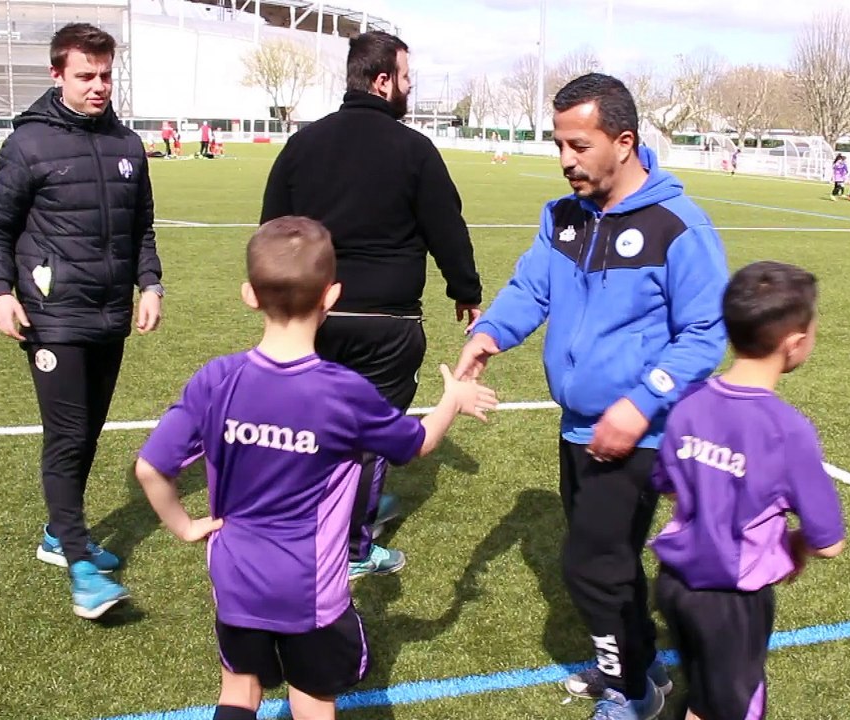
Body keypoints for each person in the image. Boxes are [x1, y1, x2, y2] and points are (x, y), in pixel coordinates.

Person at [134, 216, 497, 720]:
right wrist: (452, 399)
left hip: (234, 577)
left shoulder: (217, 379)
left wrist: (185, 525)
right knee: (312, 699)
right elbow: (417, 444)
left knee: (238, 691)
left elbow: (152, 468)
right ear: (332, 296)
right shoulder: (343, 393)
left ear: (249, 295)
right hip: (309, 592)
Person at [455, 73, 729, 720]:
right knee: (611, 564)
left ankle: (630, 691)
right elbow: (532, 288)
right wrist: (489, 333)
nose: (565, 160)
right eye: (559, 145)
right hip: (578, 426)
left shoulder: (677, 226)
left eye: (579, 145)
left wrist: (640, 402)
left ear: (624, 141)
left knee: (589, 565)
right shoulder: (564, 218)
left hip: (643, 432)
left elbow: (707, 330)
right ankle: (643, 668)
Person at [260, 30, 482, 580]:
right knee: (368, 435)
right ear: (382, 81)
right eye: (406, 78)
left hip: (313, 316)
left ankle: (313, 516)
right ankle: (352, 545)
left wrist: (278, 304)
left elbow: (272, 228)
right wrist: (465, 289)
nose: (409, 88)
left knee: (311, 423)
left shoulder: (303, 144)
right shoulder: (413, 150)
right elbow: (446, 227)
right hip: (387, 321)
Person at [0, 22, 164, 619]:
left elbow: (142, 229)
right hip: (51, 315)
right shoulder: (28, 145)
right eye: (86, 76)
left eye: (106, 75)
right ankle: (80, 563)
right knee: (66, 433)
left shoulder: (129, 145)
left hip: (109, 314)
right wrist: (0, 291)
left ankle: (60, 532)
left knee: (87, 433)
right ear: (58, 75)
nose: (99, 86)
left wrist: (150, 282)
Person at [650, 260, 846, 720]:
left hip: (674, 585)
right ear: (795, 343)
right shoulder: (786, 429)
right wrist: (792, 542)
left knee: (703, 695)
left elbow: (664, 482)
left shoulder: (690, 400)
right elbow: (830, 541)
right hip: (732, 601)